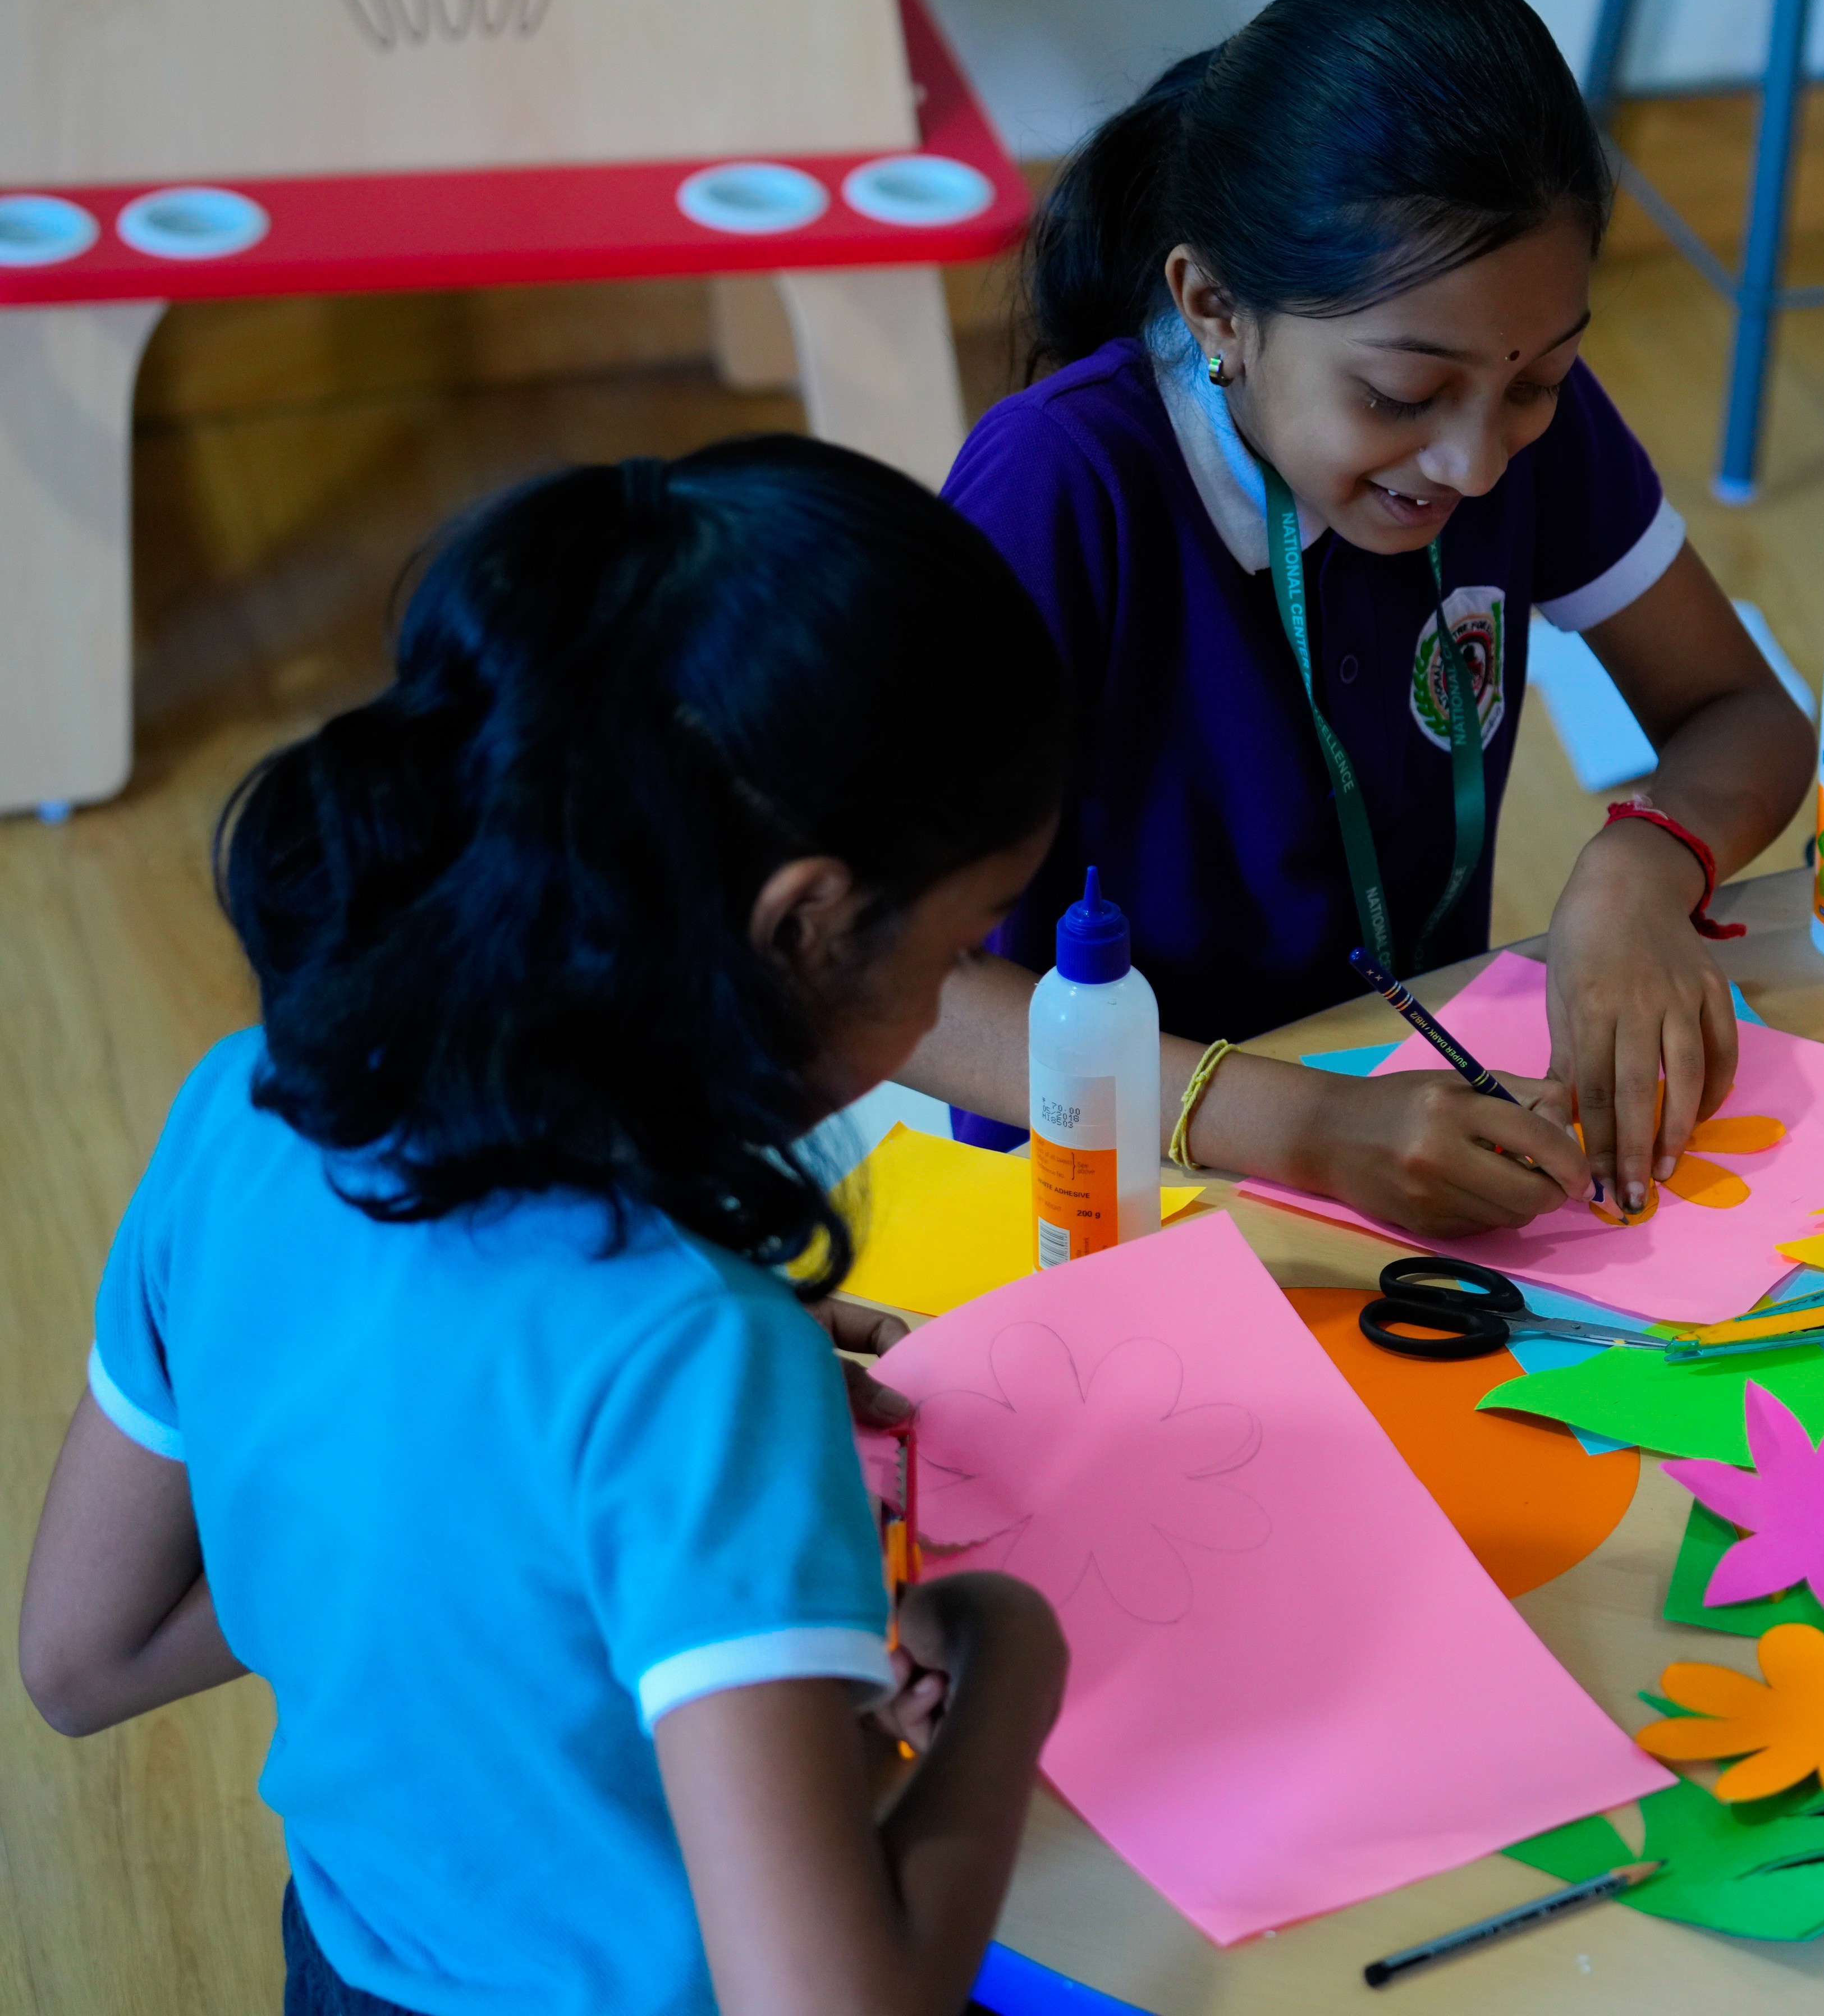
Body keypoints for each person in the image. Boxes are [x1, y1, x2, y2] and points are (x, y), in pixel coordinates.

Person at [19, 441, 1070, 2016]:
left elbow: (81, 1660)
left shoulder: (246, 1110)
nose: (957, 999)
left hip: (351, 1972)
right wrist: (1008, 1660)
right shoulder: (699, 1364)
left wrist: (519, 1518)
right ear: (801, 924)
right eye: (959, 947)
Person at [906, 0, 1815, 1236]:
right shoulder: (1060, 484)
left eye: (1543, 379)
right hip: (1106, 1188)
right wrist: (1306, 1129)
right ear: (1213, 308)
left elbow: (1742, 710)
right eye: (1398, 397)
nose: (1477, 458)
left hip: (1419, 1126)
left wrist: (1642, 863)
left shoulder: (1500, 398)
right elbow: (865, 980)